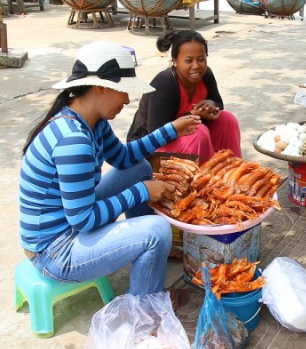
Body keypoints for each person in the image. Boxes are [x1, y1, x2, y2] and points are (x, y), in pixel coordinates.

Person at [18, 41, 202, 309]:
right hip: (55, 253)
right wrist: (143, 192)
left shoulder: (90, 120)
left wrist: (170, 130)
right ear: (101, 87)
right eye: (124, 92)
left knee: (140, 168)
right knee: (157, 229)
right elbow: (83, 219)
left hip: (68, 224)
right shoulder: (73, 141)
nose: (128, 100)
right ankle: (145, 306)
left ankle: (147, 249)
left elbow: (124, 158)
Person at [127, 30, 242, 164]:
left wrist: (210, 105)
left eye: (201, 59)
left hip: (187, 141)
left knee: (227, 119)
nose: (196, 66)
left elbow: (219, 104)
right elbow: (156, 133)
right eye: (188, 60)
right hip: (151, 151)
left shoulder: (205, 75)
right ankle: (203, 180)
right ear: (175, 61)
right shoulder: (164, 83)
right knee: (198, 130)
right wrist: (193, 114)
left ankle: (233, 168)